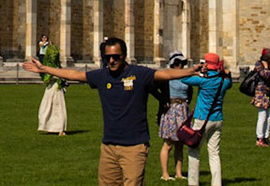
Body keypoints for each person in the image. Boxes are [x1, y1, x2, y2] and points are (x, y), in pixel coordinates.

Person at [23, 36, 204, 186]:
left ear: (124, 56)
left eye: (115, 56)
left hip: (134, 147)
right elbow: (76, 75)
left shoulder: (139, 74)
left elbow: (166, 74)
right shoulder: (102, 76)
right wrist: (45, 68)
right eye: (107, 57)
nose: (111, 60)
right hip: (108, 147)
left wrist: (190, 71)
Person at [177, 52, 232, 186]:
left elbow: (183, 78)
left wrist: (198, 72)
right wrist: (223, 72)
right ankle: (216, 183)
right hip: (217, 119)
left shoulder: (203, 80)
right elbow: (229, 82)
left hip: (202, 119)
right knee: (214, 153)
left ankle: (193, 182)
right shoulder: (224, 81)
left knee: (194, 151)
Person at [158, 53, 193, 180]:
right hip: (171, 110)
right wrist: (163, 100)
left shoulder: (185, 77)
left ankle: (179, 173)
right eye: (180, 64)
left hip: (183, 109)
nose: (181, 67)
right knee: (168, 143)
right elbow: (153, 87)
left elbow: (190, 91)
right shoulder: (166, 77)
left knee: (180, 144)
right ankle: (165, 174)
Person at [36, 37, 68, 136]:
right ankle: (52, 127)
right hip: (53, 87)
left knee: (55, 107)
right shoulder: (52, 67)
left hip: (54, 88)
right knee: (53, 107)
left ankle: (59, 128)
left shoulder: (53, 67)